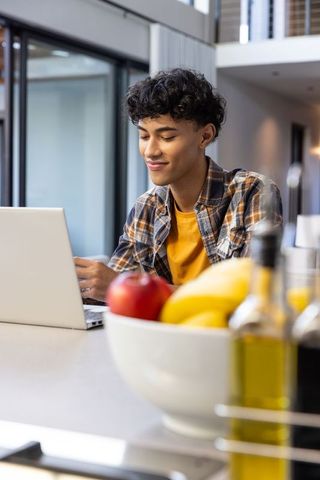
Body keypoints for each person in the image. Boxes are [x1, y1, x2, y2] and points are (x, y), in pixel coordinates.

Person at [75, 68, 282, 302]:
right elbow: (117, 291)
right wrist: (85, 285)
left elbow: (254, 293)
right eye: (144, 136)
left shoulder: (252, 193)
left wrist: (127, 288)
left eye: (167, 137)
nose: (150, 151)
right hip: (156, 337)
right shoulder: (146, 207)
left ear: (205, 137)